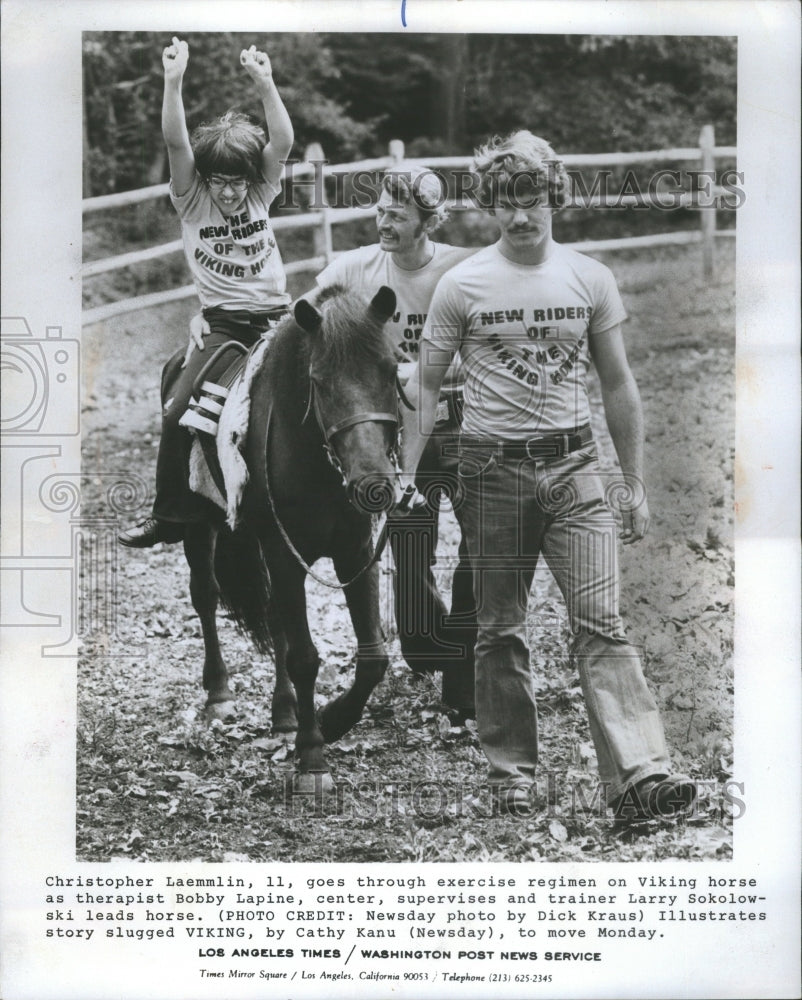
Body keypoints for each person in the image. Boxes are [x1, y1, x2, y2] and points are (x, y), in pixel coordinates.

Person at [400, 130, 696, 822]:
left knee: (603, 623)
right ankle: (512, 774)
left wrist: (634, 480)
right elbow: (427, 385)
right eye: (507, 204)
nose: (522, 216)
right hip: (490, 470)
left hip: (574, 468)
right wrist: (408, 478)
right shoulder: (461, 284)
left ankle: (641, 775)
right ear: (490, 209)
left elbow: (618, 385)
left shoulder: (589, 277)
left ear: (553, 197)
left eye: (532, 200)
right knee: (500, 627)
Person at [313, 164, 479, 714]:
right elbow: (302, 322)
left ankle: (462, 678)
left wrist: (437, 375)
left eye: (398, 215)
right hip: (402, 440)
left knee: (479, 549)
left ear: (427, 221)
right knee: (410, 555)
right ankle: (429, 642)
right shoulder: (355, 270)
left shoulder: (462, 269)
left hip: (466, 425)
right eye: (380, 211)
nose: (384, 222)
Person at [118, 38, 293, 548]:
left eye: (237, 182)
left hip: (276, 319)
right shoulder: (193, 202)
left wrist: (265, 83)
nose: (230, 192)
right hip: (224, 325)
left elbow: (280, 141)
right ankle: (168, 514)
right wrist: (173, 81)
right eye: (219, 181)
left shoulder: (262, 190)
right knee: (176, 410)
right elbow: (176, 144)